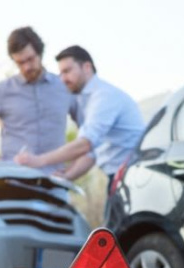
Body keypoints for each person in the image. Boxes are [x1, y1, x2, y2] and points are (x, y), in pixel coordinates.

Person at [15, 45, 144, 186]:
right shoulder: (88, 100)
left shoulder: (104, 97)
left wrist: (39, 160)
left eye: (67, 71)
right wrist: (67, 175)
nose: (63, 79)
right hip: (120, 177)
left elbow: (84, 145)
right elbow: (93, 152)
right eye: (60, 74)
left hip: (133, 177)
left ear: (87, 67)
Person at [0, 27, 74, 174]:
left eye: (30, 59)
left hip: (55, 182)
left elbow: (88, 133)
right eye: (20, 63)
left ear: (40, 54)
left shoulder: (64, 86)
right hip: (14, 180)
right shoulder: (3, 90)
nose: (27, 67)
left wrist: (72, 171)